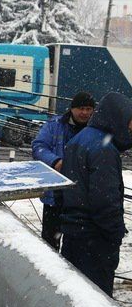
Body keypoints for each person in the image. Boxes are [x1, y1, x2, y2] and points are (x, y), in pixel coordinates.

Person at [60, 92, 132, 297]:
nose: (130, 129)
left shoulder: (78, 140)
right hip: (95, 241)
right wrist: (115, 233)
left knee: (76, 298)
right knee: (97, 302)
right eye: (129, 123)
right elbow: (104, 200)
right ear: (116, 118)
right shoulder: (104, 149)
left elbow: (65, 190)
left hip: (73, 234)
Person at [32, 91, 95, 250]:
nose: (85, 113)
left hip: (82, 199)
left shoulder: (95, 130)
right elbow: (38, 146)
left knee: (75, 246)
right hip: (55, 196)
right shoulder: (55, 126)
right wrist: (56, 162)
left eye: (89, 109)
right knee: (50, 244)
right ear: (72, 109)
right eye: (81, 108)